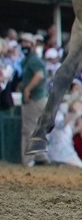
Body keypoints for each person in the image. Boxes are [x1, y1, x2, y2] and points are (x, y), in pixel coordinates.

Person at [19, 33, 49, 166]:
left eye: (27, 43)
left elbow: (39, 75)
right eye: (22, 43)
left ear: (32, 45)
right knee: (38, 128)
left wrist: (27, 89)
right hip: (40, 98)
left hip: (34, 99)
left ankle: (29, 160)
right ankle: (40, 155)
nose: (24, 45)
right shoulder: (30, 60)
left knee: (28, 130)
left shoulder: (33, 60)